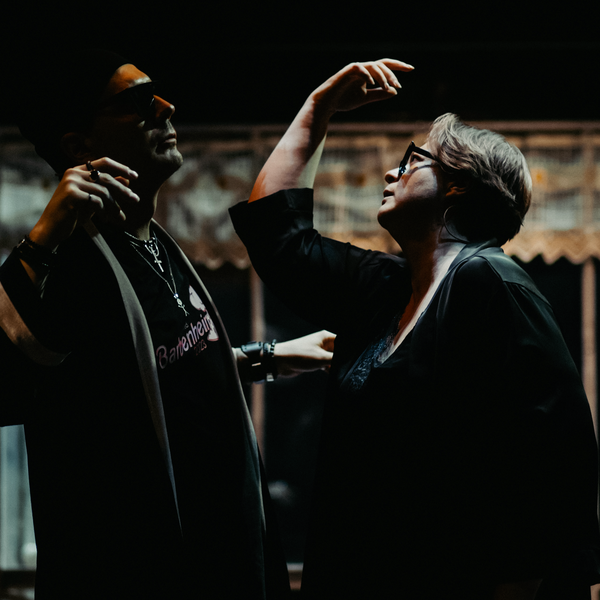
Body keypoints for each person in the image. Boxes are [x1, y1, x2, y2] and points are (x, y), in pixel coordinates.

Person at [229, 59, 600, 599]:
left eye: (412, 160)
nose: (391, 173)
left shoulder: (490, 282)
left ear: (459, 185)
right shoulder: (387, 287)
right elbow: (277, 237)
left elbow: (551, 463)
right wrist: (318, 108)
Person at [0, 50, 334, 599]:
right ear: (80, 148)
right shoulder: (75, 268)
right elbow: (11, 385)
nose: (165, 106)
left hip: (217, 559)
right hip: (148, 572)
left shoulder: (153, 243)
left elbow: (144, 378)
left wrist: (269, 358)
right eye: (137, 102)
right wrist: (41, 240)